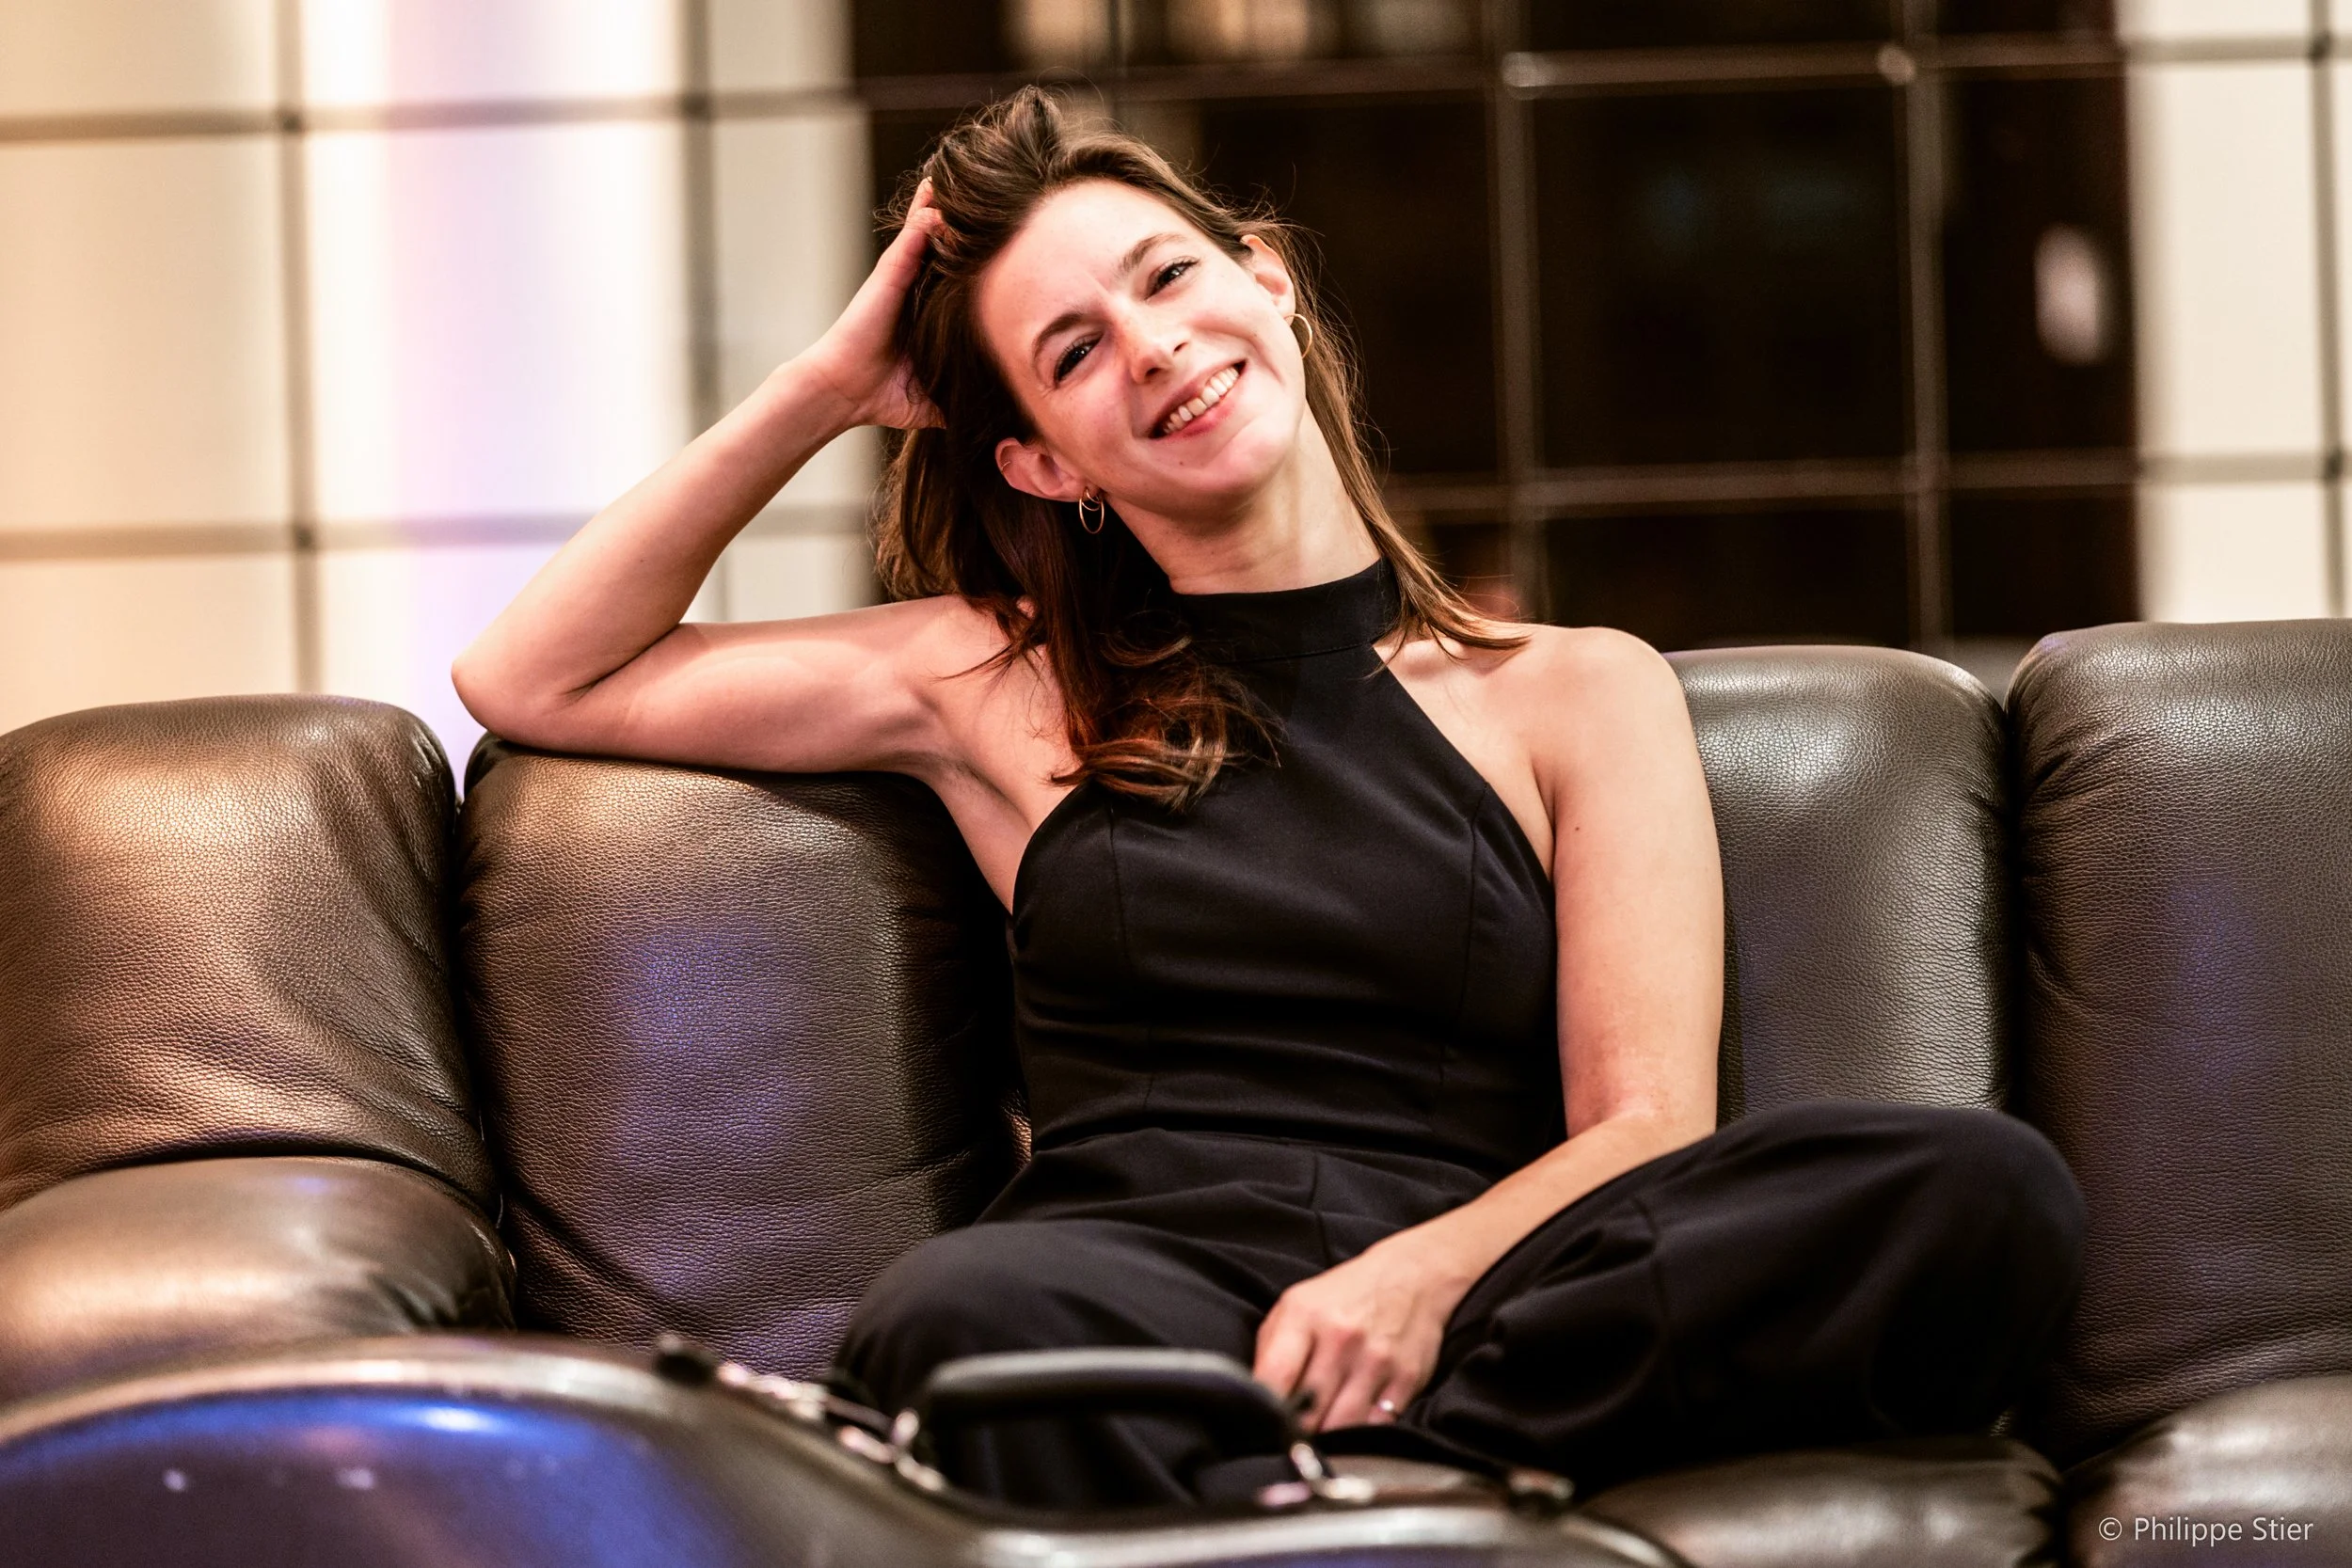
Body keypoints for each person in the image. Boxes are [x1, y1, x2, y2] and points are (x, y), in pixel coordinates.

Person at [453, 87, 2085, 1510]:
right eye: (1074, 354)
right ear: (1046, 464)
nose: (1154, 345)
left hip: (1500, 1285)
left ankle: (1322, 1480)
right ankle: (1382, 1492)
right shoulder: (999, 681)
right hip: (1130, 1283)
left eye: (1168, 277)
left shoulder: (1577, 688)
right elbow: (538, 674)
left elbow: (1647, 1127)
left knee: (1974, 1193)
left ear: (1271, 282)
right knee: (954, 1330)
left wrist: (1417, 1281)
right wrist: (824, 384)